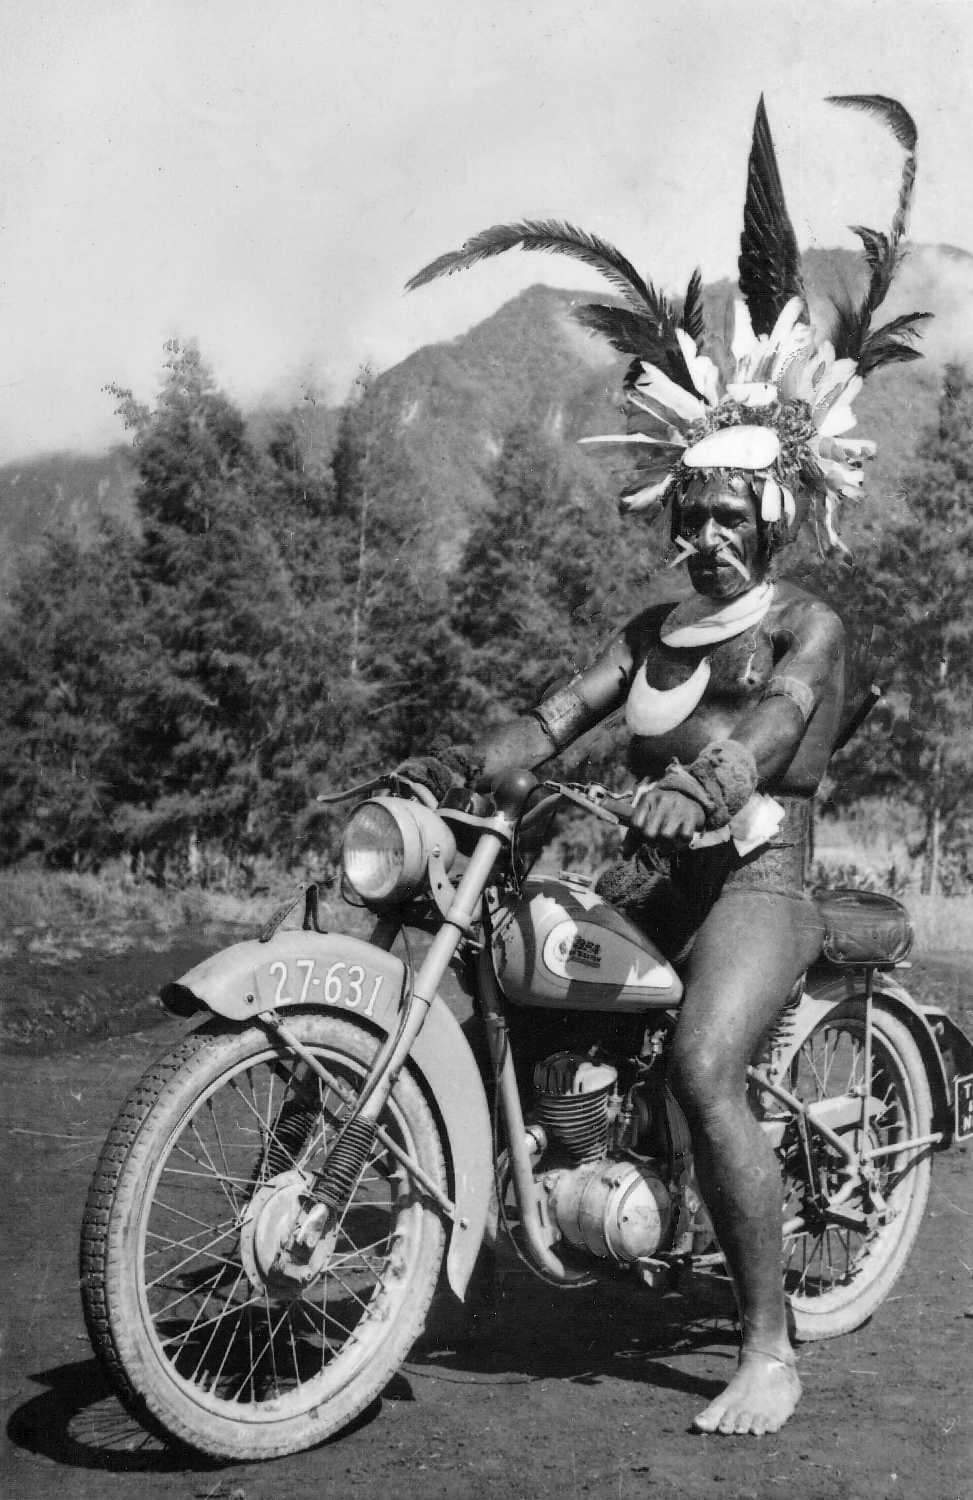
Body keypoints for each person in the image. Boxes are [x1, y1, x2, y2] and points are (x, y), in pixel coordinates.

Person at [404, 93, 929, 1434]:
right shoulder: (650, 628)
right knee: (519, 987)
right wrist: (491, 755)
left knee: (701, 1066)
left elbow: (776, 725)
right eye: (689, 510)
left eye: (729, 512)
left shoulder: (807, 622)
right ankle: (536, 1207)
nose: (705, 534)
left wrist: (707, 782)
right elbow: (564, 709)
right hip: (653, 876)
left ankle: (767, 1347)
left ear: (774, 515)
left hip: (758, 884)